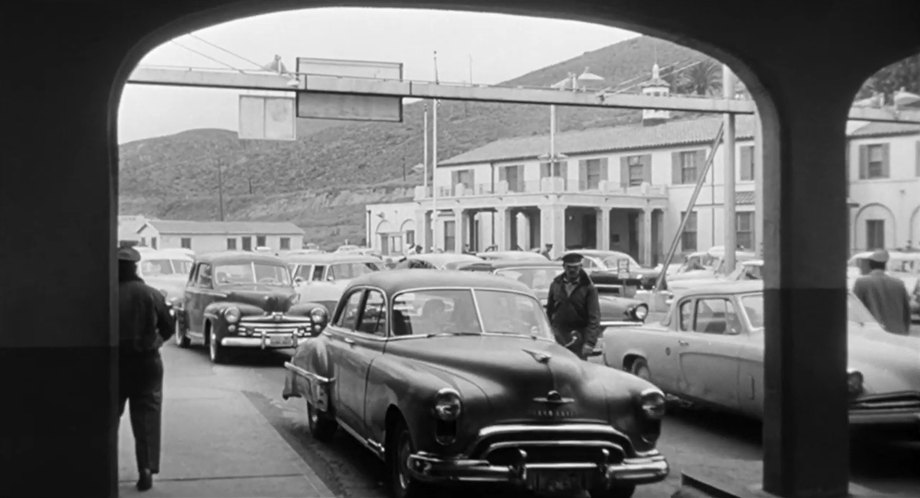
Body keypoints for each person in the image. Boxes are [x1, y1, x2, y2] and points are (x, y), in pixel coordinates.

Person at [117, 246, 175, 491]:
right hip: (147, 363)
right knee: (147, 418)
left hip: (113, 363)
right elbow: (169, 325)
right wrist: (157, 340)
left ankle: (104, 466)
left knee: (107, 419)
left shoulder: (105, 294)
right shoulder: (151, 294)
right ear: (135, 268)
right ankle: (147, 469)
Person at [545, 252, 601, 359]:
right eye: (569, 267)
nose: (572, 270)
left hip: (579, 337)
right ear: (563, 267)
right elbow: (549, 312)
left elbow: (594, 317)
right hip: (559, 336)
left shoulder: (588, 287)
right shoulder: (556, 284)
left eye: (575, 267)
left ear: (580, 267)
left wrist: (590, 343)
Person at [853, 249, 911, 335]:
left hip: (873, 334)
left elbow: (855, 310)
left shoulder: (861, 283)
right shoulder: (899, 284)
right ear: (885, 265)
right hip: (898, 333)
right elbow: (906, 311)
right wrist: (905, 330)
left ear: (870, 264)